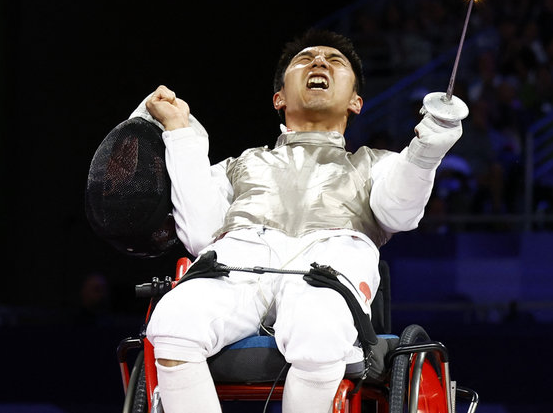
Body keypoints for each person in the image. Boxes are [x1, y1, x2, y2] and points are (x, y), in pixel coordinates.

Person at [131, 29, 464, 413]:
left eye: (334, 61)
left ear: (356, 102)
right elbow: (201, 233)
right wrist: (178, 129)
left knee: (318, 328)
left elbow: (399, 213)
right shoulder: (241, 165)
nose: (320, 62)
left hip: (330, 260)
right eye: (305, 59)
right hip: (239, 258)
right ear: (279, 98)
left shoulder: (377, 164)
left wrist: (426, 149)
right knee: (172, 322)